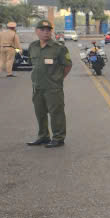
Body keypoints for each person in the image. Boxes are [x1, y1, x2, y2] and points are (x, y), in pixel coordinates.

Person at [25, 19, 70, 148]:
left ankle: (58, 138)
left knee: (56, 113)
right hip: (37, 87)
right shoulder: (33, 46)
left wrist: (58, 79)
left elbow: (67, 65)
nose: (46, 32)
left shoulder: (59, 48)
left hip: (53, 88)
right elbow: (32, 64)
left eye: (48, 30)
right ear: (36, 31)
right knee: (40, 112)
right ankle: (43, 136)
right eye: (42, 30)